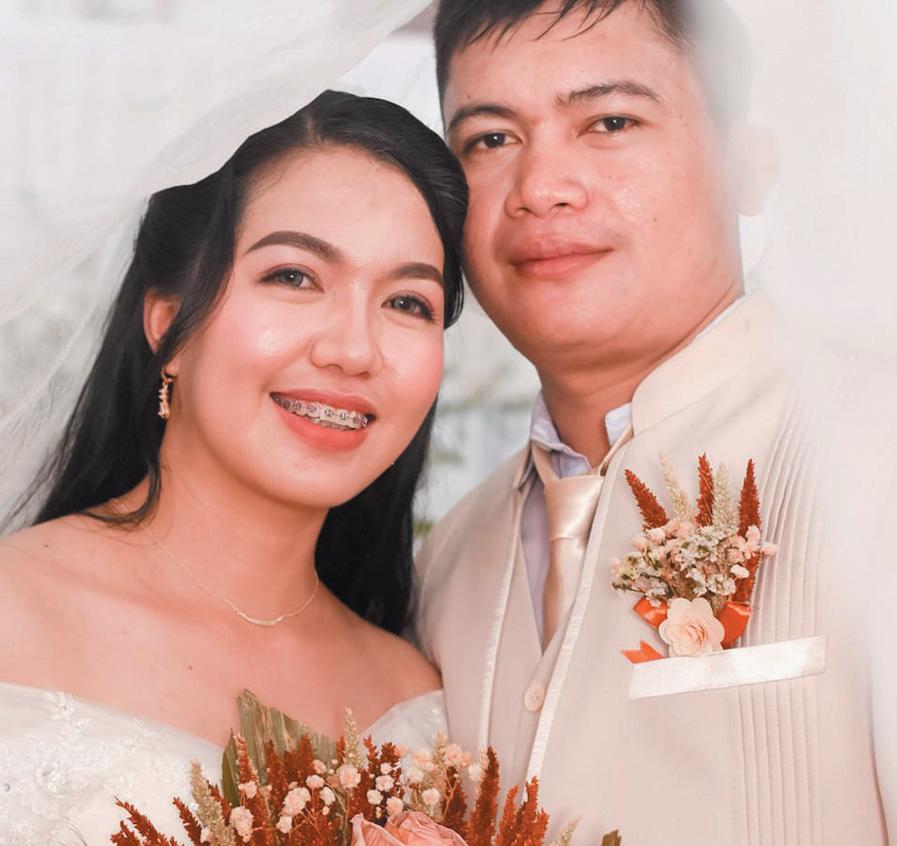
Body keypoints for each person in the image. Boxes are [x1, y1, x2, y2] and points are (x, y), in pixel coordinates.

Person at [415, 1, 895, 843]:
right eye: (489, 139)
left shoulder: (872, 445)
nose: (540, 188)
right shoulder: (446, 559)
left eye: (609, 122)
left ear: (747, 164)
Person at [0, 89, 467, 844]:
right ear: (168, 326)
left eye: (408, 303)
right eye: (294, 277)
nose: (354, 350)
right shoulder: (13, 615)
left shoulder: (417, 704)